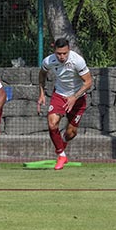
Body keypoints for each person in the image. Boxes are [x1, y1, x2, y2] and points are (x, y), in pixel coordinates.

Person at [37, 38, 93, 170]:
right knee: (52, 123)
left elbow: (88, 82)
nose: (62, 57)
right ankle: (61, 155)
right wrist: (41, 93)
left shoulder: (77, 61)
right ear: (54, 51)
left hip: (78, 98)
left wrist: (74, 97)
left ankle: (62, 145)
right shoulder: (48, 61)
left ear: (69, 50)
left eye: (65, 53)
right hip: (60, 95)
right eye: (59, 54)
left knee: (71, 133)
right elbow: (42, 75)